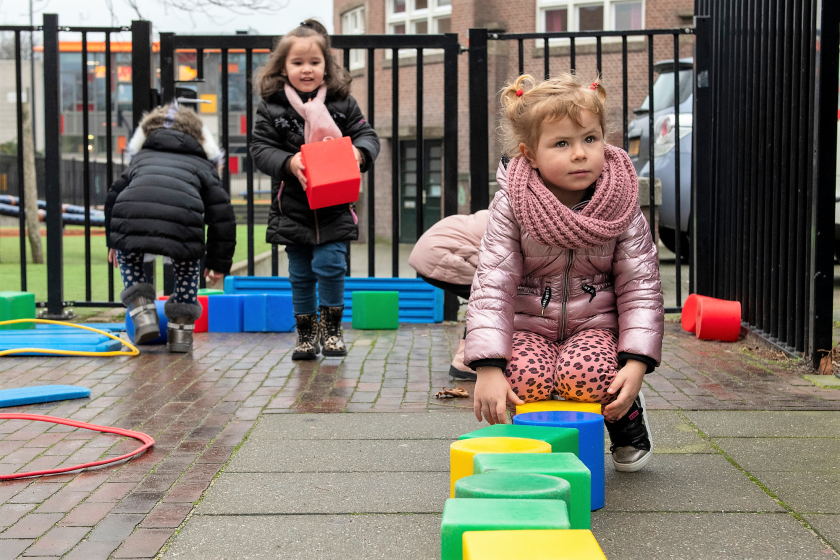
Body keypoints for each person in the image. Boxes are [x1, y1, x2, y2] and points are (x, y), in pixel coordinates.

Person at [465, 73, 664, 473]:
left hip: (594, 325)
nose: (580, 154)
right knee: (520, 379)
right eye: (562, 143)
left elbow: (640, 285)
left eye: (590, 139)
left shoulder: (621, 203)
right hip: (529, 325)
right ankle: (536, 444)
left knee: (587, 374)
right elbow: (492, 285)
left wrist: (636, 362)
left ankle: (625, 417)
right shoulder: (513, 205)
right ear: (530, 154)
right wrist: (488, 367)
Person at [251, 19, 380, 360]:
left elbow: (368, 136)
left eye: (314, 62)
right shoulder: (272, 107)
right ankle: (306, 336)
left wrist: (358, 153)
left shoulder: (343, 103)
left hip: (335, 204)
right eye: (297, 63)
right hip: (293, 206)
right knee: (301, 273)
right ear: (283, 67)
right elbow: (260, 149)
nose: (306, 69)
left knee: (331, 263)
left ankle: (333, 330)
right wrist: (290, 162)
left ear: (326, 66)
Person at [105, 102, 236, 353]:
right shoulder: (202, 165)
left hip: (132, 215)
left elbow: (113, 197)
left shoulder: (140, 159)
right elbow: (222, 215)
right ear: (197, 137)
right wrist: (219, 262)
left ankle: (142, 312)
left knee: (129, 256)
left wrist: (113, 242)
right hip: (183, 223)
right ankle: (181, 333)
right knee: (187, 266)